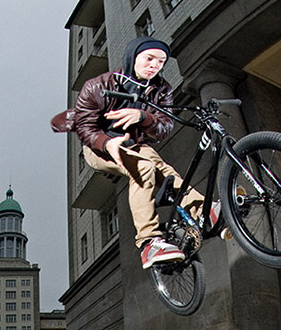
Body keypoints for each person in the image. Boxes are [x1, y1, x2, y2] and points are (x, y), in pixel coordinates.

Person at [71, 36, 224, 270]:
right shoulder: (98, 86)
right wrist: (105, 143)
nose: (155, 66)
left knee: (163, 169)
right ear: (133, 58)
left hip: (134, 145)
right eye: (149, 59)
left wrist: (143, 117)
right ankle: (149, 243)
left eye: (161, 62)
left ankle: (203, 211)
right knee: (142, 168)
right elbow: (84, 126)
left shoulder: (161, 89)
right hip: (98, 146)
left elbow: (163, 129)